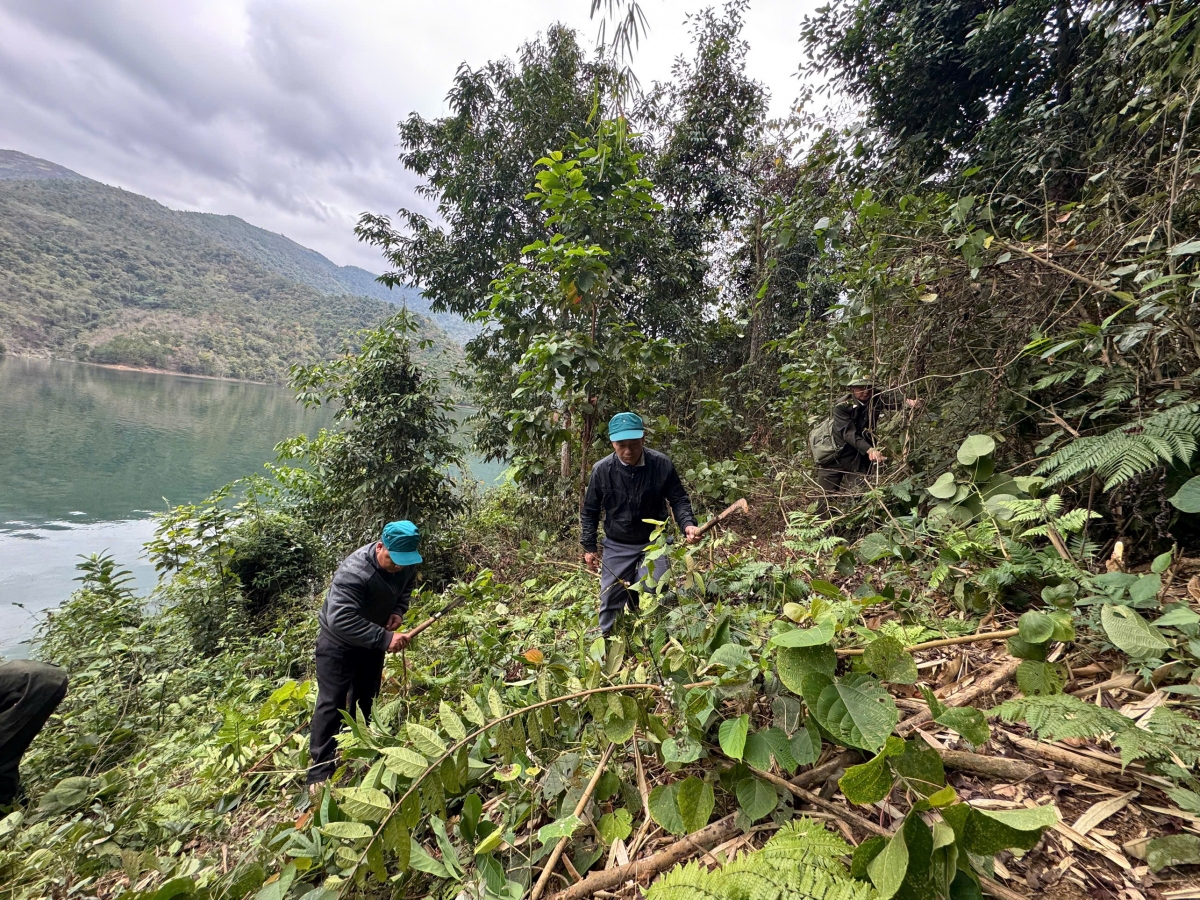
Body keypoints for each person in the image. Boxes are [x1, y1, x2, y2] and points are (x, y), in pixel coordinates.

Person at [308, 520, 422, 789]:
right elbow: (340, 620)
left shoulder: (406, 561)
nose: (399, 567)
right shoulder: (355, 573)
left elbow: (405, 586)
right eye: (393, 561)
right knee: (331, 702)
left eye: (404, 562)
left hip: (371, 641)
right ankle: (319, 774)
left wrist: (398, 611)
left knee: (366, 694)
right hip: (338, 644)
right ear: (380, 546)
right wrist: (385, 638)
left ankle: (358, 744)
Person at [581, 412, 700, 636]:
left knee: (654, 587)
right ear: (612, 443)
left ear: (643, 439)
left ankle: (662, 635)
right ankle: (607, 641)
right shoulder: (602, 470)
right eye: (621, 445)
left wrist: (688, 524)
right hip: (618, 542)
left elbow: (678, 499)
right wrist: (589, 547)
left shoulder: (660, 464)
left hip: (654, 541)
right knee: (610, 596)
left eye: (634, 444)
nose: (628, 451)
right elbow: (590, 511)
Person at [815, 377, 920, 514]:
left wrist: (909, 402)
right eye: (860, 388)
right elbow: (848, 434)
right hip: (835, 455)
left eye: (869, 388)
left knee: (859, 495)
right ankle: (822, 529)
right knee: (826, 498)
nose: (865, 392)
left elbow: (892, 401)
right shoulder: (842, 406)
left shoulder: (875, 399)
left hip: (859, 458)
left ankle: (853, 527)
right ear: (852, 389)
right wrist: (870, 449)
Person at [0, 659, 69, 807]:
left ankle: (9, 810)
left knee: (2, 754)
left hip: (37, 684)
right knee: (7, 748)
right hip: (40, 675)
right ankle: (17, 803)